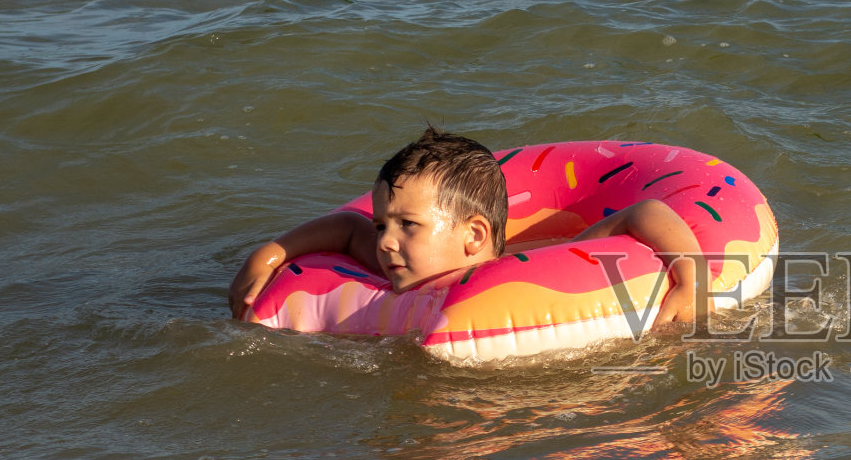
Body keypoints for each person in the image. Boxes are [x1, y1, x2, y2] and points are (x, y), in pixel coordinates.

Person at [228, 127, 700, 329]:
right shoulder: (396, 263)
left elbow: (646, 212)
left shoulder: (529, 272)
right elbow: (348, 228)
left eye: (407, 225)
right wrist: (269, 255)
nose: (386, 240)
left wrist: (690, 282)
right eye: (383, 224)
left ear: (473, 236)